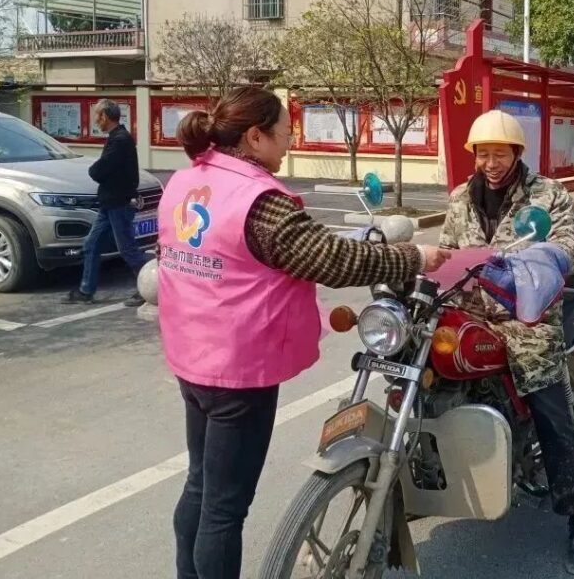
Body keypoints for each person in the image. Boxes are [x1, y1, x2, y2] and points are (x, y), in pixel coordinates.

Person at [157, 86, 448, 579]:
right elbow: (333, 260)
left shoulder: (185, 181)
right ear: (255, 137)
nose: (289, 142)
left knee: (200, 487)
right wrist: (413, 256)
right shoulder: (260, 202)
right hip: (238, 370)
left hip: (192, 356)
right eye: (283, 133)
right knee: (224, 509)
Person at [439, 109, 574, 575]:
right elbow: (448, 250)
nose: (490, 162)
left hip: (526, 318)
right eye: (483, 153)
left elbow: (573, 247)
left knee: (549, 409)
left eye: (499, 153)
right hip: (470, 311)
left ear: (517, 153)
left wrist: (538, 256)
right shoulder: (459, 198)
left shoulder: (547, 195)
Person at [65, 98, 148, 306]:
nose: (95, 120)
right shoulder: (117, 137)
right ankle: (86, 290)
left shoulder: (120, 140)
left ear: (105, 116)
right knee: (91, 245)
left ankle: (149, 287)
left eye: (97, 116)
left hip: (119, 203)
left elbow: (99, 170)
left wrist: (96, 171)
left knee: (128, 249)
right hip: (109, 203)